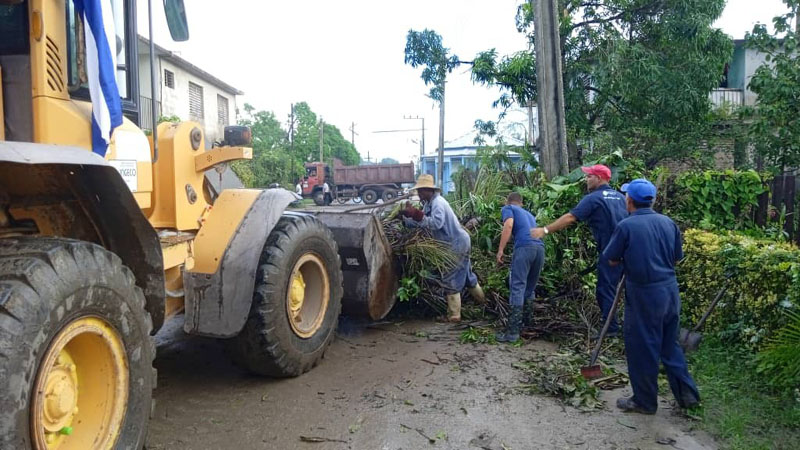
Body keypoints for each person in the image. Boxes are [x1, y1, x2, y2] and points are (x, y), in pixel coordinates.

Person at [602, 178, 700, 414]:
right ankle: (687, 396)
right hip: (669, 291)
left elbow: (612, 259)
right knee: (670, 344)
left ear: (629, 200)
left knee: (642, 347)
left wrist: (631, 259)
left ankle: (644, 401)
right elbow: (677, 257)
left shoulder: (626, 226)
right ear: (652, 200)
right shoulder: (668, 223)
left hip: (644, 294)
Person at [531, 164, 627, 337]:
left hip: (610, 251)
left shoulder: (593, 198)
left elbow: (570, 217)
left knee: (605, 290)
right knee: (629, 289)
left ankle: (611, 329)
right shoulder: (622, 197)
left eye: (589, 176)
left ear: (599, 178)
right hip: (629, 251)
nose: (586, 179)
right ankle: (628, 325)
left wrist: (544, 230)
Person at [401, 174, 485, 321]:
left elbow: (435, 224)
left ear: (429, 190)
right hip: (458, 242)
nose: (419, 194)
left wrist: (417, 215)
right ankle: (483, 303)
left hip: (455, 244)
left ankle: (454, 315)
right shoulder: (429, 204)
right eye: (418, 191)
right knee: (467, 276)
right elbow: (423, 222)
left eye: (421, 191)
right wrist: (406, 220)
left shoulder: (438, 203)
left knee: (450, 277)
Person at [495, 192, 545, 342]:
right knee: (530, 288)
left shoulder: (508, 208)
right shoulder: (529, 214)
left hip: (524, 248)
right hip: (540, 249)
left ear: (508, 201)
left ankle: (512, 333)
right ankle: (527, 325)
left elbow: (509, 225)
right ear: (521, 203)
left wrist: (500, 250)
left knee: (517, 286)